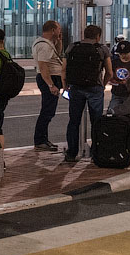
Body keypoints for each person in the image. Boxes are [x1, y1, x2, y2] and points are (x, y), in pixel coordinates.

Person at [62, 24, 111, 162]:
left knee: (74, 121)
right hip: (95, 88)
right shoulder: (102, 49)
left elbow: (63, 69)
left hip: (76, 88)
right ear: (98, 36)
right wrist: (103, 85)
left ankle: (72, 153)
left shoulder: (72, 47)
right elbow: (109, 72)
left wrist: (65, 86)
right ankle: (96, 152)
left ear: (84, 35)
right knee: (96, 121)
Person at [31, 20, 67, 151]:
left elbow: (56, 55)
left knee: (48, 111)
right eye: (58, 29)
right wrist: (51, 85)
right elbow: (43, 66)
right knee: (47, 111)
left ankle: (43, 139)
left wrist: (59, 41)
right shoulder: (44, 45)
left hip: (51, 78)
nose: (60, 31)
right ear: (52, 30)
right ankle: (40, 140)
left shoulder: (48, 43)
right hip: (49, 79)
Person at [108, 40, 130, 114]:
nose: (122, 56)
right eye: (120, 53)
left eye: (125, 53)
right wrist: (111, 81)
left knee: (129, 115)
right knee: (112, 113)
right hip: (117, 93)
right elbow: (110, 76)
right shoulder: (114, 63)